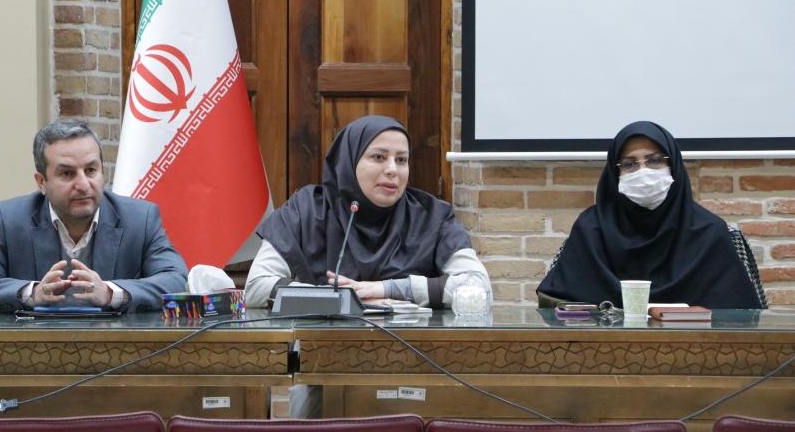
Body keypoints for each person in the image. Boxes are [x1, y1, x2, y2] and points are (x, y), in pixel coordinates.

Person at [246, 115, 490, 309]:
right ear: (349, 161)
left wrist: (386, 289)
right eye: (379, 157)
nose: (392, 169)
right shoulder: (306, 209)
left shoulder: (432, 216)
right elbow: (257, 287)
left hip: (412, 351)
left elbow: (479, 290)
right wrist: (340, 300)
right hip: (317, 349)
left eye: (401, 160)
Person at [0, 119, 188, 312]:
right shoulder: (12, 220)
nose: (83, 185)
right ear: (42, 182)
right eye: (67, 173)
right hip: (36, 350)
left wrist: (111, 293)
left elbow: (179, 282)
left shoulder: (140, 218)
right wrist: (33, 293)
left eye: (91, 170)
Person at [537, 121, 761, 309]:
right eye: (629, 164)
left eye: (655, 161)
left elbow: (744, 320)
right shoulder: (590, 230)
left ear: (673, 164)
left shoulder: (711, 233)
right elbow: (554, 309)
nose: (643, 172)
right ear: (614, 174)